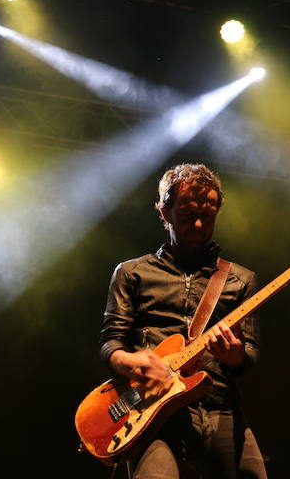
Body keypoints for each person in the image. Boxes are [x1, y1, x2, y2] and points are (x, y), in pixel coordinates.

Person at [99, 162, 268, 478]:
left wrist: (232, 355)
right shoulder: (132, 272)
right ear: (164, 211)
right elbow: (111, 341)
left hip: (220, 408)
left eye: (209, 215)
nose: (200, 224)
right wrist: (130, 362)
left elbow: (250, 356)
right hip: (153, 413)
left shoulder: (241, 280)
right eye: (188, 216)